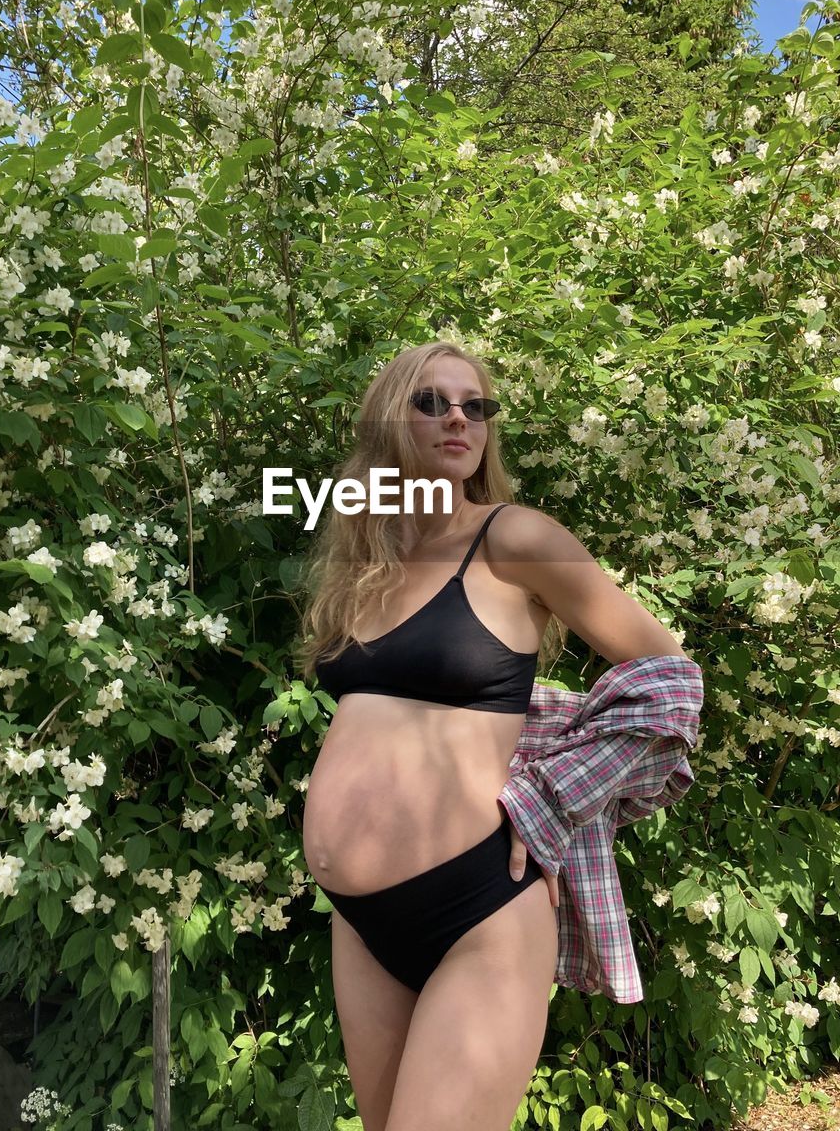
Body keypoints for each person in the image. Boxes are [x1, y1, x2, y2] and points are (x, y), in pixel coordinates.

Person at [293, 340, 693, 1131]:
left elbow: (671, 682)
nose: (458, 419)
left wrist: (551, 799)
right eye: (433, 402)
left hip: (478, 905)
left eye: (475, 406)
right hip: (361, 922)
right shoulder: (366, 558)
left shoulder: (514, 538)